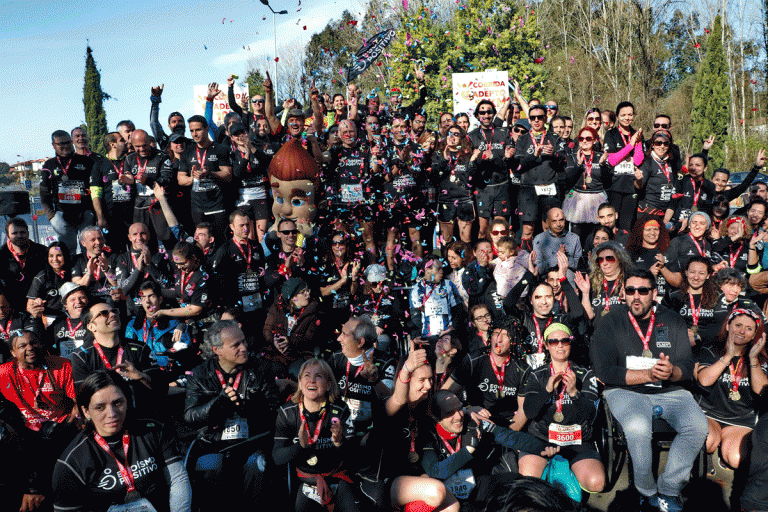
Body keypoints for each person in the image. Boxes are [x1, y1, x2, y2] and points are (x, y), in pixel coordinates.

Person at [591, 268, 708, 511]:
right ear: (623, 293)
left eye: (643, 290)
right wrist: (647, 374)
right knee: (637, 428)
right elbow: (604, 371)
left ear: (654, 293)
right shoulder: (610, 321)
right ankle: (646, 492)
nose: (636, 296)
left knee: (697, 426)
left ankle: (669, 489)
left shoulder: (672, 319)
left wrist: (672, 371)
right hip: (625, 391)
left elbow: (686, 366)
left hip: (669, 390)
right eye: (630, 290)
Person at [52, 369, 192, 512]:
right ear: (86, 411)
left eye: (118, 403)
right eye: (100, 407)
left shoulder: (153, 431)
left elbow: (177, 479)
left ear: (128, 400)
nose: (112, 414)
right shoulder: (72, 461)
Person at [183, 320, 279, 510]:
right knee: (211, 465)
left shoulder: (260, 369)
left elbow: (274, 412)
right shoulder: (200, 374)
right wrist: (219, 404)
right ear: (217, 350)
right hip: (213, 445)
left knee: (257, 465)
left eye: (244, 341)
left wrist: (254, 408)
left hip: (250, 443)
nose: (244, 348)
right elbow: (190, 417)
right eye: (236, 345)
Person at [421, 389, 548, 504]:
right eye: (450, 413)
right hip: (446, 495)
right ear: (436, 417)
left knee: (517, 483)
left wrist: (546, 447)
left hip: (475, 486)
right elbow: (435, 472)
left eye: (459, 409)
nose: (458, 416)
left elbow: (512, 438)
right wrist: (468, 450)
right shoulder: (427, 435)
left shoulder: (473, 423)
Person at [519, 323, 604, 493]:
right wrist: (547, 390)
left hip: (577, 439)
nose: (559, 345)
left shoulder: (585, 374)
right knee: (528, 484)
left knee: (597, 483)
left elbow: (590, 414)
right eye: (553, 341)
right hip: (543, 438)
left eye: (565, 341)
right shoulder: (537, 375)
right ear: (546, 345)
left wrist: (574, 392)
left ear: (570, 344)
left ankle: (563, 473)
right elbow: (529, 412)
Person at [0, 330, 77, 511]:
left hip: (60, 430)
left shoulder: (62, 366)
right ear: (12, 353)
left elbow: (78, 403)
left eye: (34, 342)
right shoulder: (4, 372)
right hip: (25, 433)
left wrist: (69, 424)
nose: (30, 348)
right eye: (22, 346)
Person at [272, 358, 359, 512]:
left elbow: (355, 456)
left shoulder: (340, 409)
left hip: (338, 480)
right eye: (306, 375)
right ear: (299, 382)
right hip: (306, 484)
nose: (312, 380)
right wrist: (300, 446)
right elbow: (277, 457)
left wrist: (339, 442)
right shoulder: (287, 412)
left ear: (329, 384)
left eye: (318, 376)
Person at [695, 308, 768, 469]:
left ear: (754, 334)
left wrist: (753, 359)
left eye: (749, 329)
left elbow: (761, 390)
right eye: (738, 325)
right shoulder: (710, 350)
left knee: (736, 458)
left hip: (740, 420)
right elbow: (704, 380)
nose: (742, 331)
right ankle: (710, 454)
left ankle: (724, 451)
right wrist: (728, 356)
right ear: (728, 326)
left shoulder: (760, 358)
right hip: (709, 414)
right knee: (706, 443)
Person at [443, 319, 530, 430]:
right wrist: (466, 409)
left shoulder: (522, 369)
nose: (499, 340)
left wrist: (506, 435)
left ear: (513, 340)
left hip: (508, 426)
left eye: (505, 335)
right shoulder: (473, 360)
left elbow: (523, 411)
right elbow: (444, 393)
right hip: (475, 422)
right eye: (495, 333)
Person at [515, 104, 567, 244]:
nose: (536, 120)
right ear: (529, 120)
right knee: (527, 229)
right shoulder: (523, 139)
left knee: (549, 227)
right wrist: (533, 155)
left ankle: (550, 262)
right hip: (529, 189)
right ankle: (526, 261)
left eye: (540, 117)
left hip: (549, 187)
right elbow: (518, 166)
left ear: (545, 118)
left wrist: (554, 155)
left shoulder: (554, 137)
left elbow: (563, 162)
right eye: (533, 118)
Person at [177, 115, 233, 242]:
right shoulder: (187, 152)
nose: (194, 134)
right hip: (198, 209)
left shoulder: (220, 149)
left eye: (198, 130)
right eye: (191, 131)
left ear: (207, 129)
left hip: (218, 206)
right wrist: (193, 177)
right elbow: (180, 179)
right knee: (201, 244)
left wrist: (210, 174)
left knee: (221, 241)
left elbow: (228, 175)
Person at [40, 130, 97, 253]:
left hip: (85, 214)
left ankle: (89, 271)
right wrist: (51, 216)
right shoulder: (49, 164)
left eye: (67, 142)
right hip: (62, 216)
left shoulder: (86, 161)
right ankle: (70, 272)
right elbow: (44, 193)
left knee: (88, 249)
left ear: (72, 142)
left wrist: (93, 212)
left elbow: (95, 187)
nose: (65, 146)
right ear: (53, 145)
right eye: (61, 144)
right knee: (67, 251)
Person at [124, 281, 191, 379]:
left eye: (151, 296)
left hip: (167, 375)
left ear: (160, 299)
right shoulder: (132, 325)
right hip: (141, 374)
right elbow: (128, 353)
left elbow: (184, 355)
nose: (147, 301)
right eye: (143, 297)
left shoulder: (174, 324)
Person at [468, 100, 515, 238]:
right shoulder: (472, 136)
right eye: (482, 112)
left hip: (502, 186)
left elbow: (510, 161)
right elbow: (470, 166)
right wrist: (479, 159)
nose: (486, 115)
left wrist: (505, 157)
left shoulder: (504, 133)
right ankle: (484, 257)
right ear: (477, 116)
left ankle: (501, 257)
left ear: (494, 114)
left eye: (489, 111)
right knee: (483, 229)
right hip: (483, 188)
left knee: (501, 228)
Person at [210, 209, 270, 317]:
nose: (246, 229)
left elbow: (262, 272)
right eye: (241, 225)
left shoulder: (256, 246)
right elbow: (216, 278)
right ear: (232, 227)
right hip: (235, 304)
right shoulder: (224, 250)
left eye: (247, 224)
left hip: (257, 301)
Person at [562, 127, 611, 242]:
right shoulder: (573, 157)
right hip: (577, 197)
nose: (584, 141)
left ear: (594, 140)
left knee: (594, 235)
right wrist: (578, 165)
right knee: (575, 237)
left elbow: (607, 181)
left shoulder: (601, 156)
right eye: (581, 138)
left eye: (588, 138)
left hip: (597, 197)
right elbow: (568, 180)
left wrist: (603, 166)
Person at [262, 278, 322, 372]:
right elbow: (267, 330)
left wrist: (290, 342)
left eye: (307, 290)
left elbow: (310, 338)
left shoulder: (313, 311)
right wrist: (275, 341)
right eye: (303, 292)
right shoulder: (277, 308)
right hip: (277, 353)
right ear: (293, 297)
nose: (308, 294)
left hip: (300, 354)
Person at [433, 125, 477, 244]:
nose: (451, 136)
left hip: (464, 200)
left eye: (456, 134)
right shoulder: (438, 154)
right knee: (446, 241)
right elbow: (435, 176)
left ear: (461, 138)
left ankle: (466, 263)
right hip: (446, 200)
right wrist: (444, 159)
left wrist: (473, 162)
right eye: (449, 133)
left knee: (466, 240)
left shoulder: (467, 155)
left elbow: (472, 178)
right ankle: (447, 262)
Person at [662, 256, 718, 350]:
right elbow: (661, 323)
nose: (696, 277)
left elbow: (720, 326)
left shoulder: (717, 297)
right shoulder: (673, 295)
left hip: (707, 349)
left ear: (708, 275)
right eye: (692, 272)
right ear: (686, 272)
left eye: (701, 273)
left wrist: (697, 338)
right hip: (677, 346)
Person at [604, 102, 643, 231]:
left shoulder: (636, 133)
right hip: (614, 186)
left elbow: (638, 161)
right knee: (612, 225)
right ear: (617, 116)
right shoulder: (611, 134)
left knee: (627, 226)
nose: (627, 118)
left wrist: (637, 143)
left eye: (630, 115)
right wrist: (630, 145)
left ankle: (624, 250)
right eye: (623, 115)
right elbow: (612, 160)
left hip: (631, 187)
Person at [0, 218, 47, 313]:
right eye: (14, 233)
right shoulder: (1, 255)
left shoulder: (42, 251)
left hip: (38, 304)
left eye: (22, 232)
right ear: (7, 235)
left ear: (28, 233)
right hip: (12, 307)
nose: (19, 236)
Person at [410, 256, 463, 338]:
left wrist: (453, 328)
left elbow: (457, 309)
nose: (442, 272)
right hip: (428, 337)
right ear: (427, 270)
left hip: (448, 335)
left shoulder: (448, 284)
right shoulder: (417, 289)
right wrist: (421, 335)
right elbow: (415, 316)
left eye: (442, 268)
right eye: (438, 269)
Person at [26, 242, 72, 317]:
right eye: (51, 256)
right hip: (50, 317)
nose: (55, 259)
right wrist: (36, 305)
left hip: (71, 315)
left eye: (59, 255)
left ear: (65, 256)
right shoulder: (41, 277)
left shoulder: (73, 272)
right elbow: (29, 305)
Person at [532, 207, 581, 276]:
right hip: (547, 281)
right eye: (554, 221)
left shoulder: (574, 238)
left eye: (561, 220)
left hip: (568, 281)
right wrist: (557, 257)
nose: (558, 224)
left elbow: (578, 266)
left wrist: (565, 256)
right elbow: (538, 269)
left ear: (565, 220)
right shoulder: (539, 239)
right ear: (547, 222)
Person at [46, 283, 90, 359]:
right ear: (65, 305)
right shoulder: (57, 324)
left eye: (82, 297)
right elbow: (44, 343)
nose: (78, 301)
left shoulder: (95, 320)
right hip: (64, 368)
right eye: (73, 299)